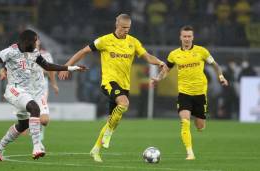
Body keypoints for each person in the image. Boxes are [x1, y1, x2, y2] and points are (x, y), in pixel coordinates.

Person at [0, 29, 86, 161]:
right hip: (14, 90)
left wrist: (72, 68)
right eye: (35, 41)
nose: (37, 43)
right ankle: (37, 146)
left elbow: (48, 66)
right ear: (27, 42)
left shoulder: (33, 52)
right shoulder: (10, 51)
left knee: (23, 125)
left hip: (27, 93)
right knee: (35, 109)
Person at [58, 13, 165, 162]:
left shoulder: (133, 42)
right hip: (109, 82)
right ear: (117, 25)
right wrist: (66, 67)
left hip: (124, 85)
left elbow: (147, 56)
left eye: (128, 28)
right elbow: (83, 51)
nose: (125, 30)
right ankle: (108, 133)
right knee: (124, 103)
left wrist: (160, 62)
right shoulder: (105, 41)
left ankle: (95, 150)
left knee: (113, 120)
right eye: (123, 27)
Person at [151, 25, 228, 160]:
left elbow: (215, 65)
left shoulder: (201, 51)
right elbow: (166, 70)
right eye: (184, 36)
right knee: (184, 120)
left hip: (200, 93)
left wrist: (221, 77)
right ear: (180, 37)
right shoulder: (174, 54)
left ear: (193, 37)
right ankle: (190, 153)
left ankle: (198, 120)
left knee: (200, 126)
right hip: (184, 93)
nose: (187, 39)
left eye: (189, 36)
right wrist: (158, 78)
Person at [0, 39, 59, 141]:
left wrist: (54, 84)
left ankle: (37, 130)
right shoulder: (22, 54)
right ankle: (35, 135)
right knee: (29, 116)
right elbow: (6, 68)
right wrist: (3, 72)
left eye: (37, 40)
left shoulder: (46, 55)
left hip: (41, 89)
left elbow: (51, 70)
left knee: (44, 120)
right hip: (26, 89)